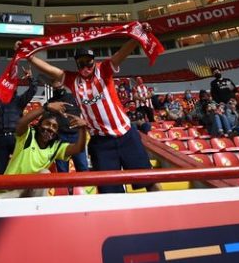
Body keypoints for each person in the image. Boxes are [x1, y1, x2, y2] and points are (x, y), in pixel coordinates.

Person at [22, 23, 158, 194]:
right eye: (81, 64)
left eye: (89, 63)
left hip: (126, 135)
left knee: (149, 181)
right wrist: (29, 57)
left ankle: (168, 218)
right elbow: (51, 71)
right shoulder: (72, 80)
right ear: (77, 65)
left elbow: (120, 54)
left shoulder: (105, 70)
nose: (85, 67)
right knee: (109, 192)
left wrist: (137, 36)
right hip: (101, 143)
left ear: (94, 61)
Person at [0, 102, 87, 199]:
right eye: (47, 124)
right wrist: (45, 107)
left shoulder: (56, 147)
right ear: (39, 124)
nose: (50, 128)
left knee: (45, 173)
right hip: (8, 191)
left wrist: (82, 128)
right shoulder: (28, 135)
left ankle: (37, 209)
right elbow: (20, 123)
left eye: (54, 127)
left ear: (57, 132)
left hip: (30, 193)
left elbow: (78, 148)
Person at [0, 68, 38, 175]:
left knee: (21, 168)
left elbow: (33, 90)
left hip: (16, 138)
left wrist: (31, 78)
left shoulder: (19, 101)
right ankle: (1, 191)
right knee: (1, 171)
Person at [48, 80, 89, 174]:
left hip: (76, 136)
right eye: (55, 87)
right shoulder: (51, 102)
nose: (57, 87)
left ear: (63, 83)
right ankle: (65, 189)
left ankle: (86, 188)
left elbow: (87, 111)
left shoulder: (75, 98)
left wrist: (85, 123)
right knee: (62, 170)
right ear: (52, 87)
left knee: (82, 167)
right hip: (60, 137)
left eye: (59, 85)